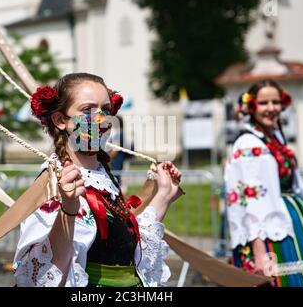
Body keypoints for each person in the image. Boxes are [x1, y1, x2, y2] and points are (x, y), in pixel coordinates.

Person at [13, 73, 182, 287]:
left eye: (106, 110)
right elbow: (45, 276)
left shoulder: (102, 177)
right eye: (88, 110)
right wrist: (68, 209)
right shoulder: (53, 185)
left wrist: (164, 194)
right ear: (60, 120)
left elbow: (127, 250)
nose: (101, 119)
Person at [224, 79, 303, 287]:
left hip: (294, 220)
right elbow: (250, 200)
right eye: (264, 103)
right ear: (252, 106)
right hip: (268, 231)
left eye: (275, 102)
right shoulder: (248, 144)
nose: (271, 108)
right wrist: (260, 252)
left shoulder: (275, 137)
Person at [108, 115, 133, 194]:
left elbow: (114, 150)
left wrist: (107, 159)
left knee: (118, 187)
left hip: (117, 164)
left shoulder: (118, 135)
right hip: (122, 162)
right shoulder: (122, 134)